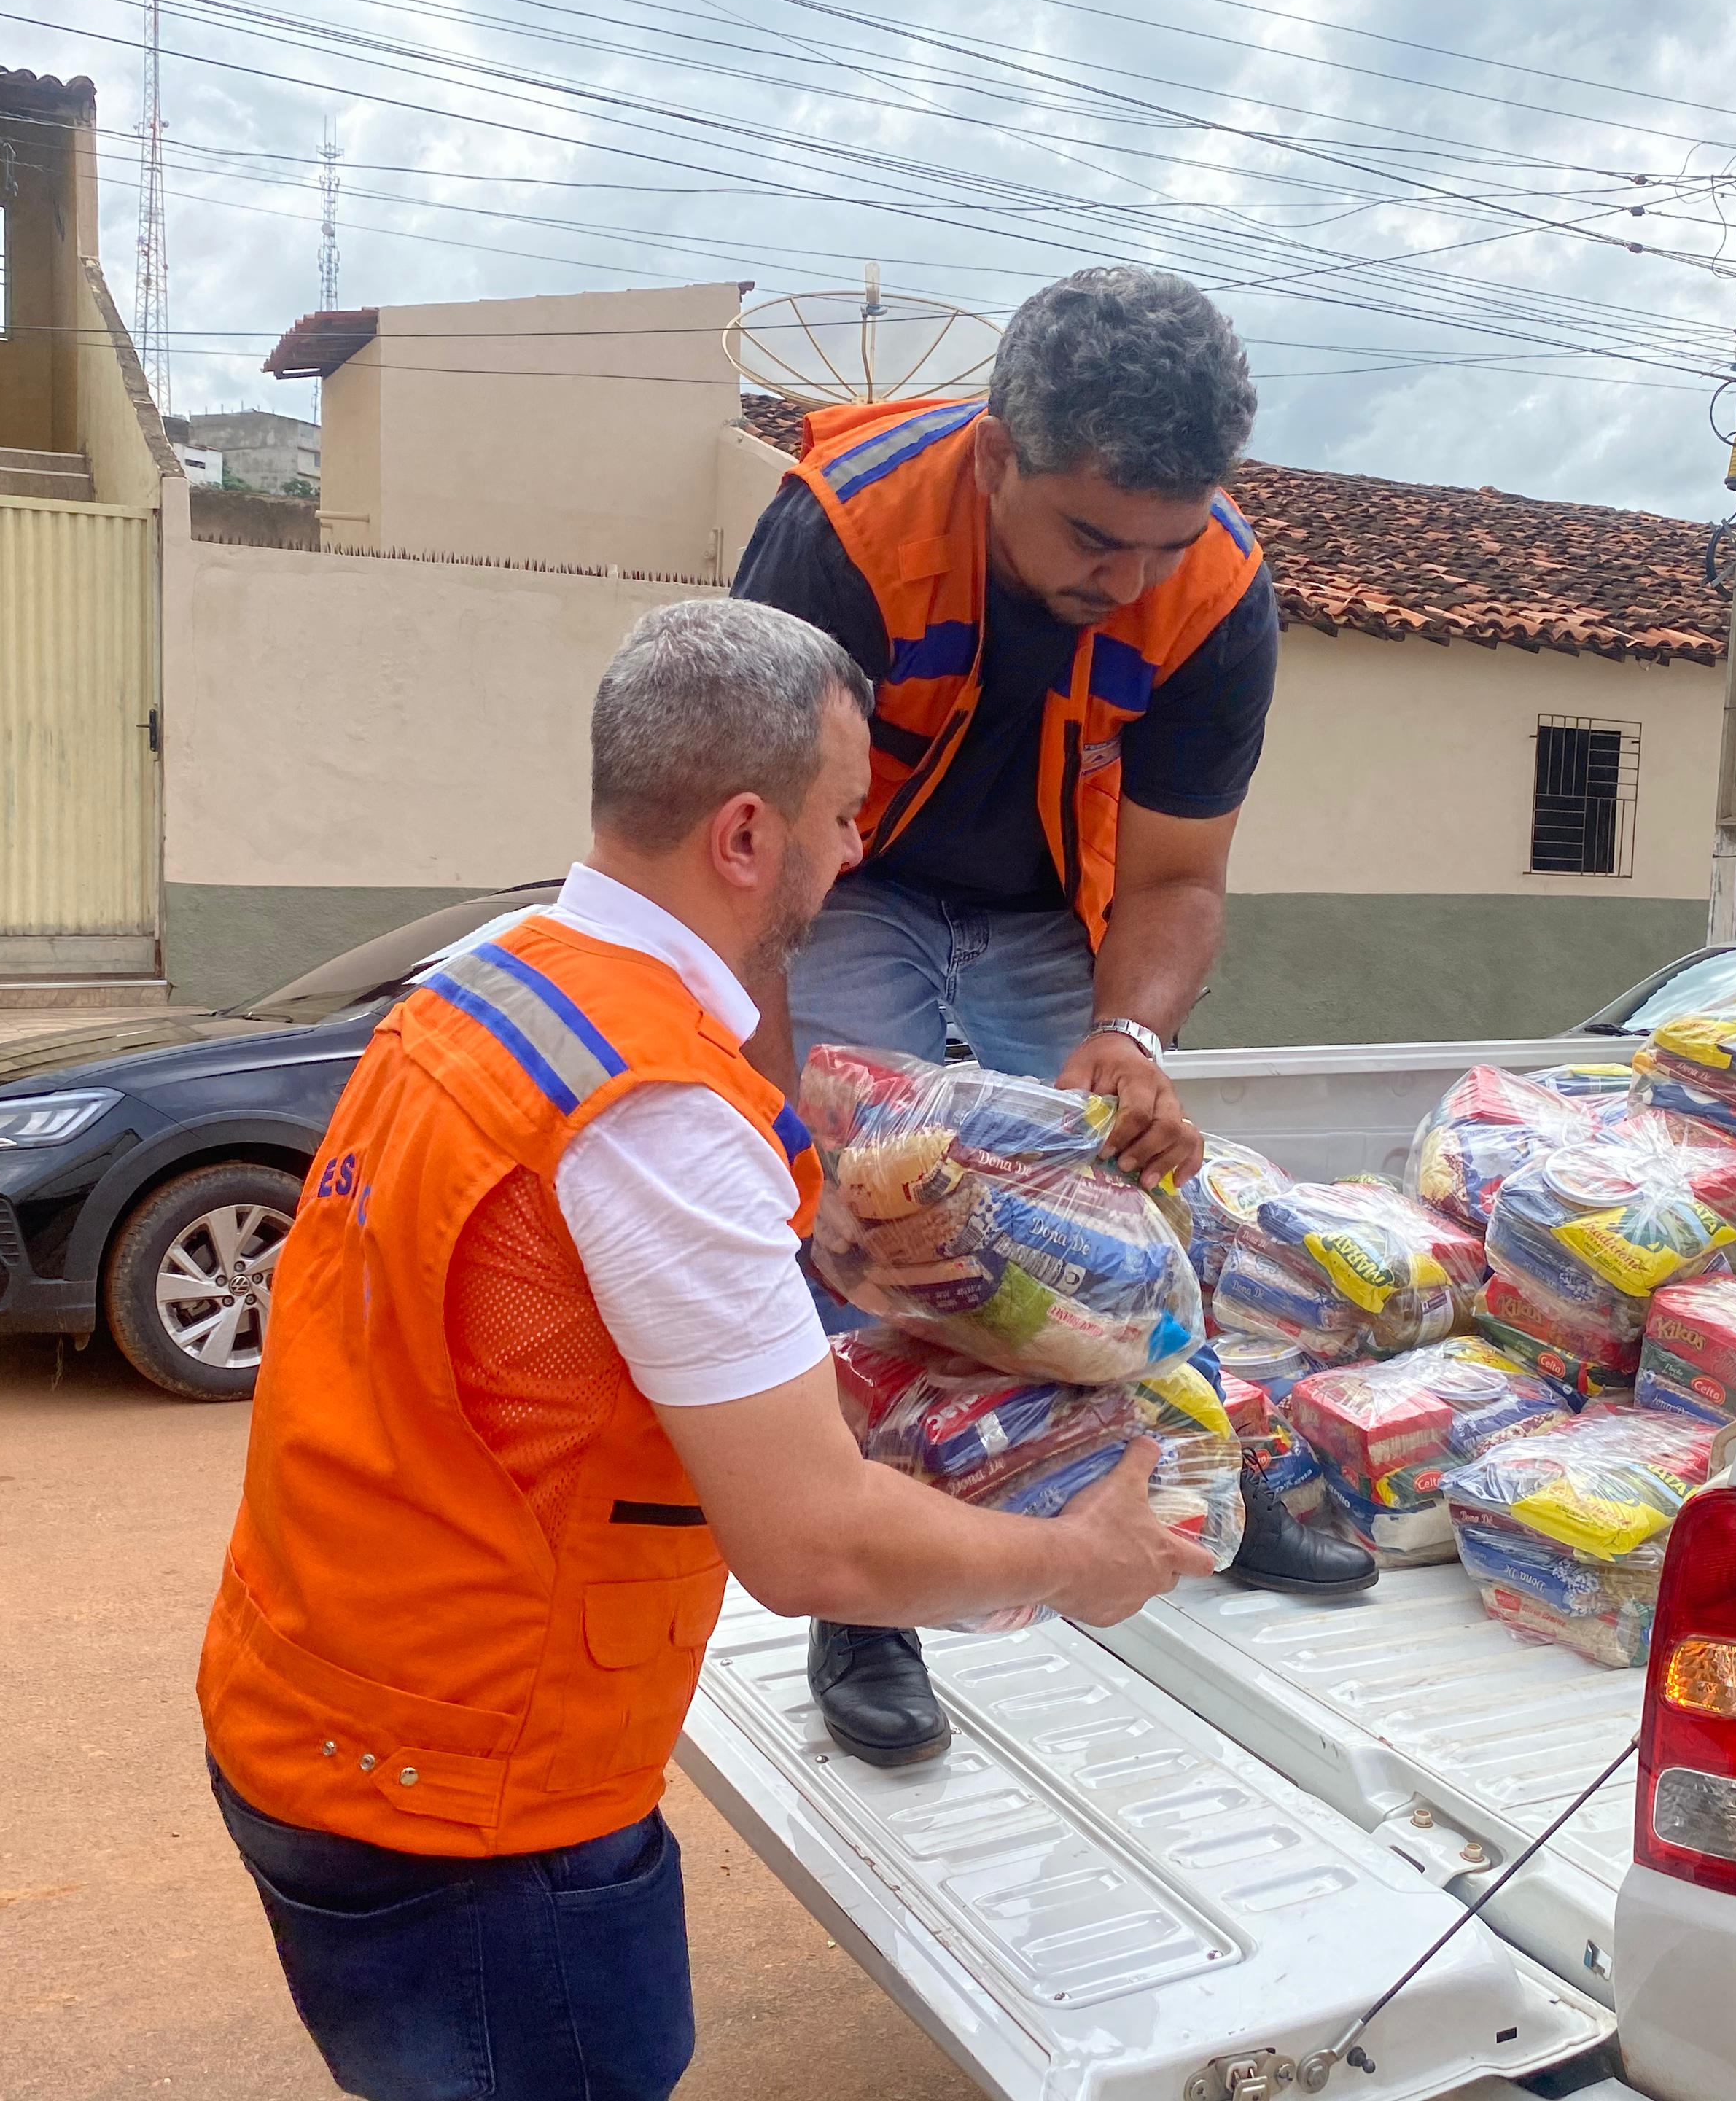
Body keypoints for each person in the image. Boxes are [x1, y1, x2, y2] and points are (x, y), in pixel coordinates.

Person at [196, 599, 1206, 2101]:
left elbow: (539, 1293)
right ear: (745, 837)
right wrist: (1081, 1558)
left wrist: (852, 1249)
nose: (858, 851)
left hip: (313, 1705)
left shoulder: (487, 990)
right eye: (845, 816)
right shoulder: (658, 1109)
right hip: (471, 1810)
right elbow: (819, 1555)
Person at [730, 265, 1375, 1774]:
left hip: (1050, 911)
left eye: (1164, 541)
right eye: (1094, 536)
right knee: (863, 1222)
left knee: (1127, 1199)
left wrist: (1130, 1040)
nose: (1131, 578)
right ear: (998, 453)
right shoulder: (845, 529)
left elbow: (1176, 872)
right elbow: (748, 850)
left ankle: (1204, 1476)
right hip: (853, 890)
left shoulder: (1217, 588)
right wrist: (771, 1121)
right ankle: (871, 1592)